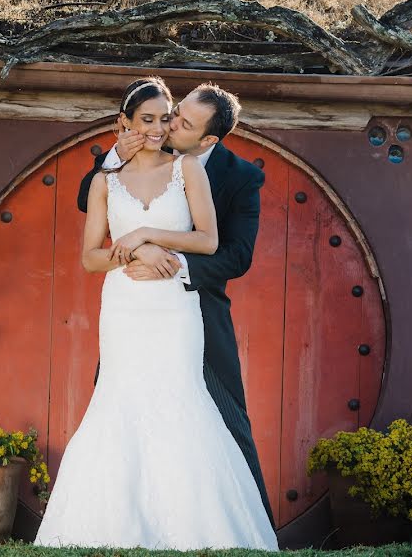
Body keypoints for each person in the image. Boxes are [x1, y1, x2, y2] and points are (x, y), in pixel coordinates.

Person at [34, 77, 277, 550]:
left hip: (192, 305)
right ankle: (121, 521)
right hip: (127, 307)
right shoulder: (113, 166)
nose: (168, 125)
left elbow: (234, 254)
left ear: (207, 138)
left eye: (179, 121)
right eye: (170, 114)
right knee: (121, 403)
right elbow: (91, 211)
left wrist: (163, 253)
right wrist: (117, 159)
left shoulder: (233, 175)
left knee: (221, 414)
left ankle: (240, 525)